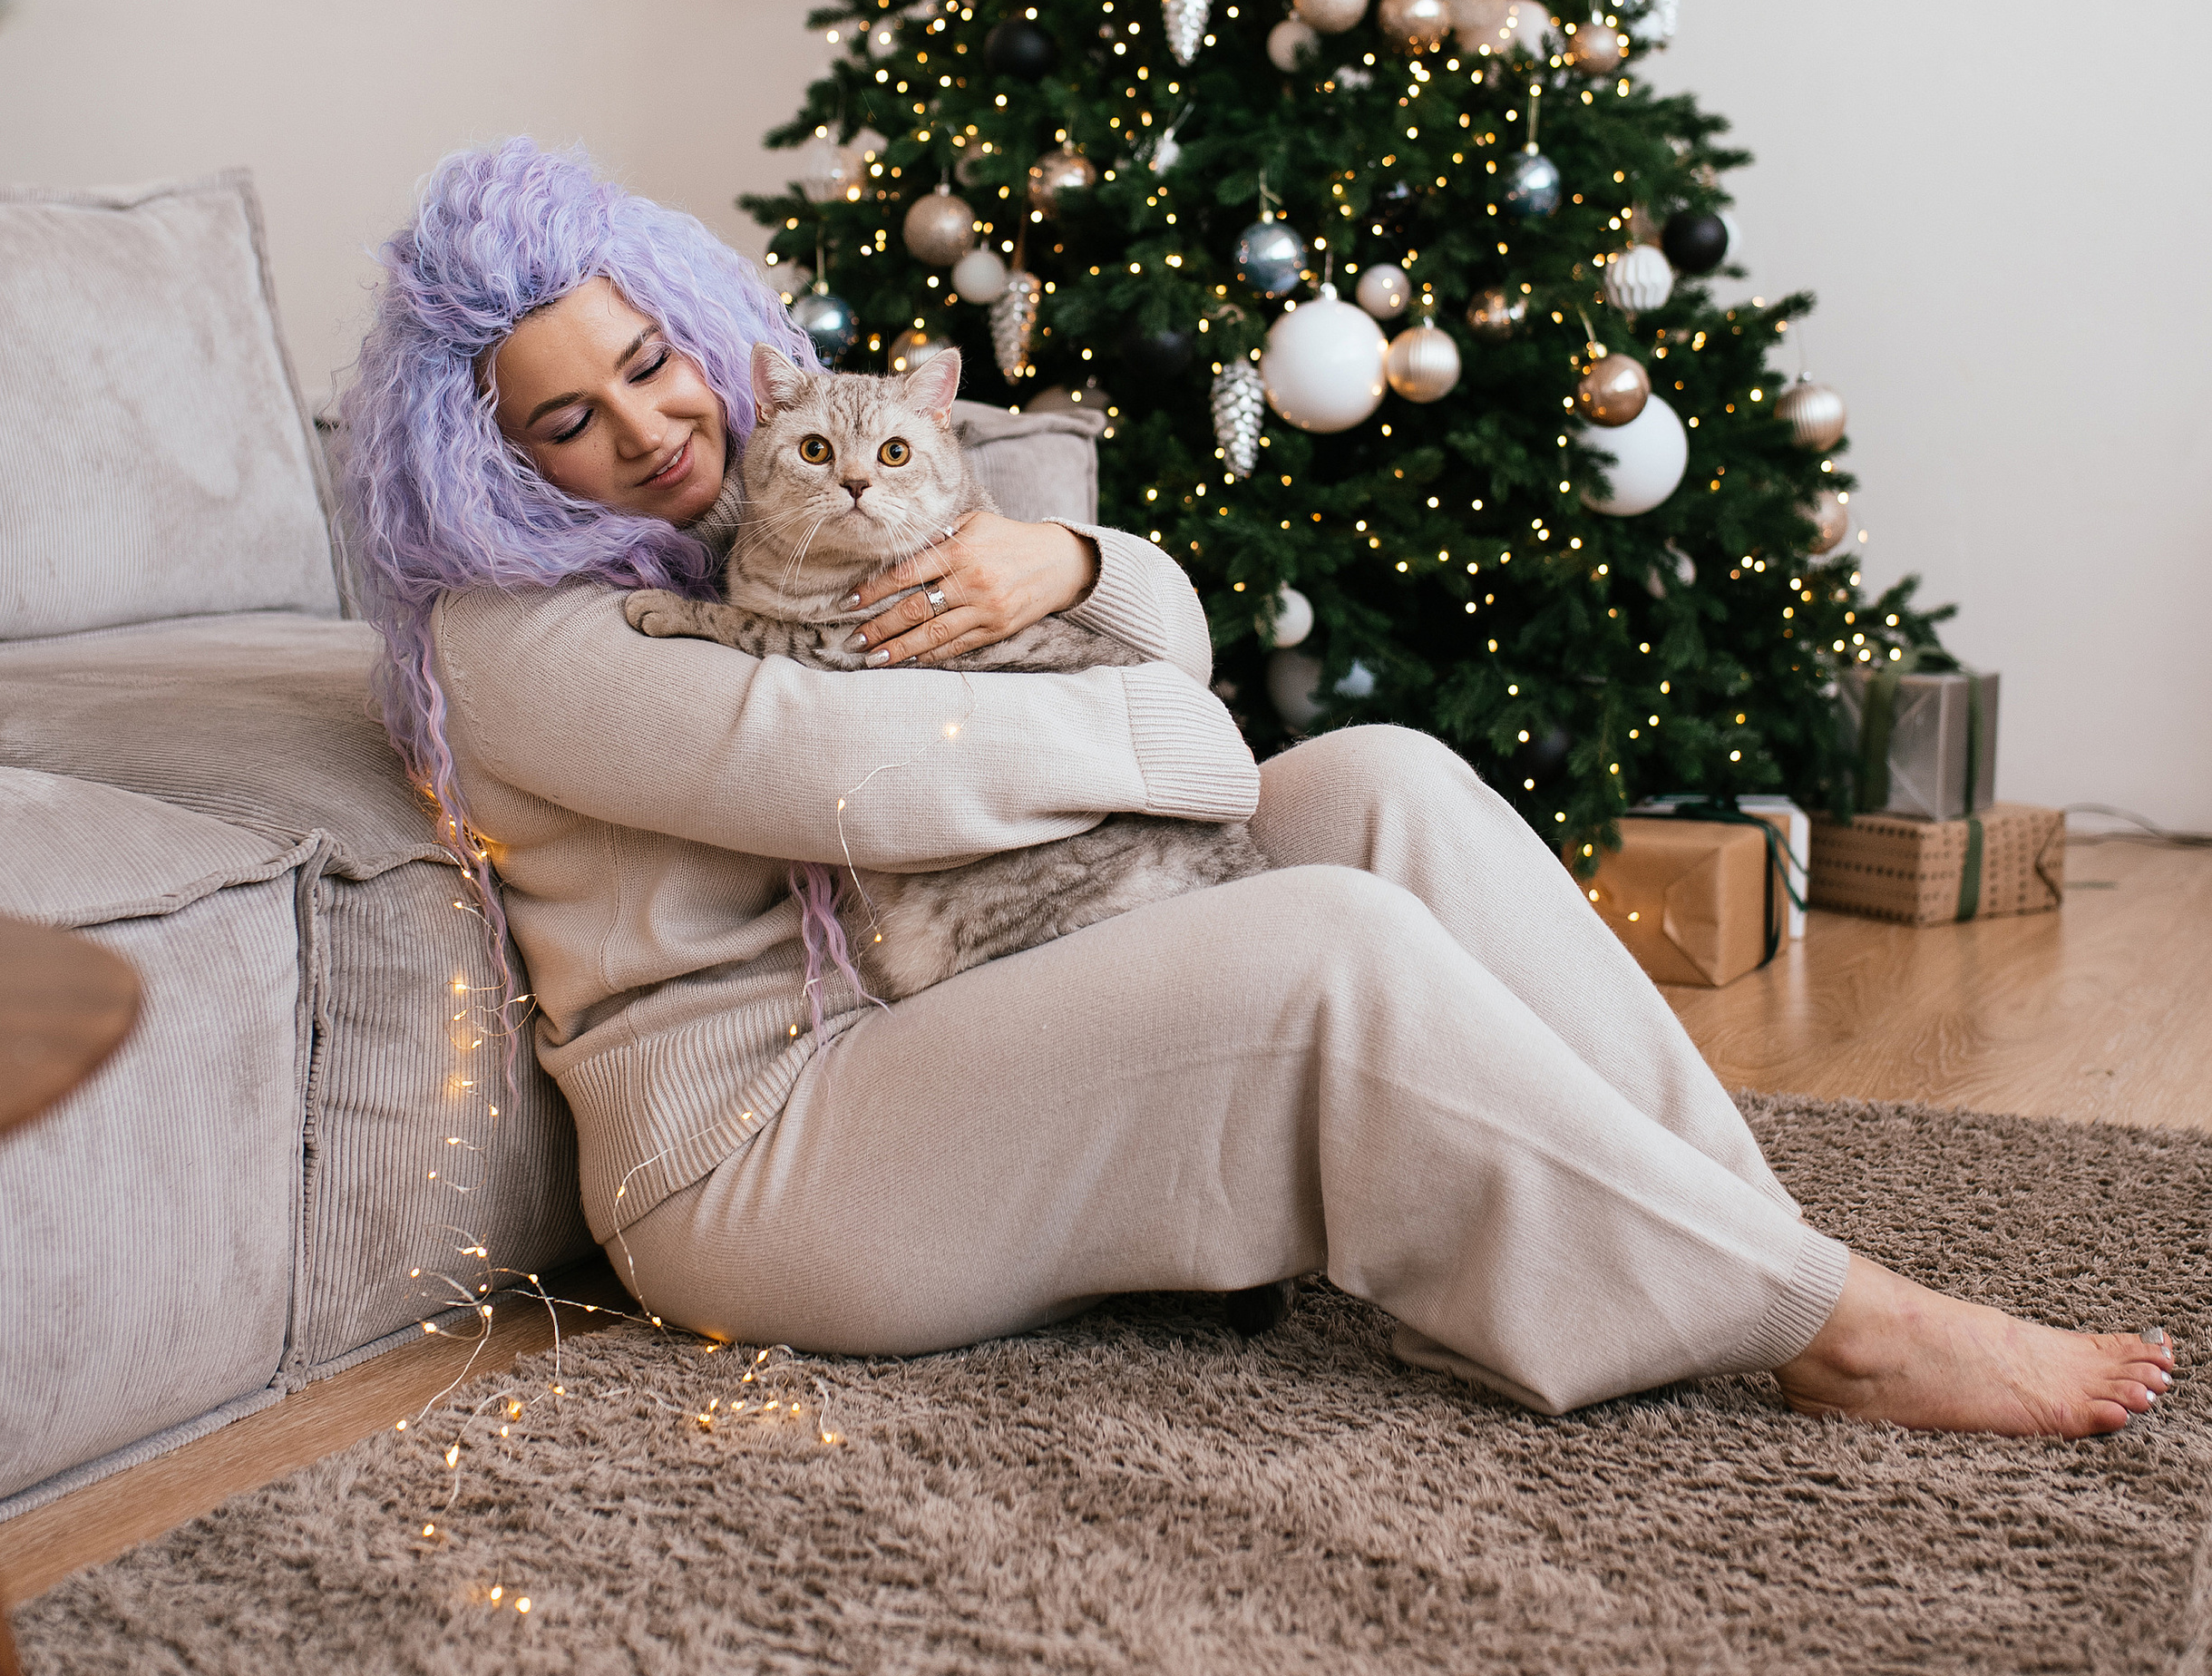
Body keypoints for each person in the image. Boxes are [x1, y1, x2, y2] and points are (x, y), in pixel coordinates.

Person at [336, 139, 2174, 1437]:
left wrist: (1065, 572)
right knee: (1312, 950)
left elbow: (1151, 638)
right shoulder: (524, 641)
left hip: (942, 995)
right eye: (564, 421)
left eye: (648, 363)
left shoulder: (767, 492)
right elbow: (872, 780)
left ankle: (1748, 1252)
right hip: (767, 1149)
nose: (649, 427)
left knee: (1379, 780)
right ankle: (1835, 1334)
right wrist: (1172, 732)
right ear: (484, 462)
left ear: (680, 320)